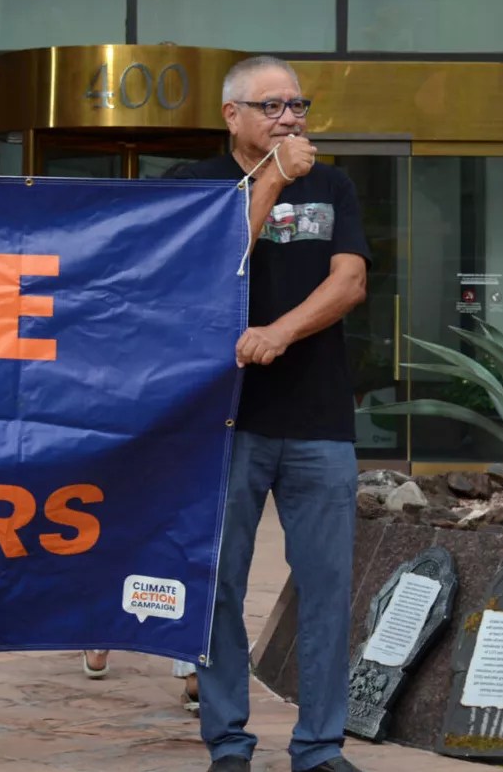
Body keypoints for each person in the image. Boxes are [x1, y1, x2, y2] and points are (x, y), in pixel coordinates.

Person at [169, 55, 369, 772]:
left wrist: (280, 332)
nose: (291, 117)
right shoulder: (192, 188)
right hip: (225, 421)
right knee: (220, 585)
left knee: (326, 590)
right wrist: (275, 178)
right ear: (233, 116)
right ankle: (228, 741)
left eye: (298, 104)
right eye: (273, 105)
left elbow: (349, 282)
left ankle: (319, 746)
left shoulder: (335, 184)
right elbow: (210, 268)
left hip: (319, 420)